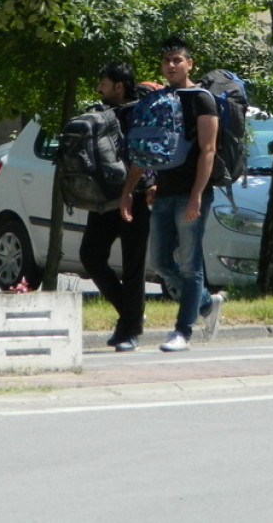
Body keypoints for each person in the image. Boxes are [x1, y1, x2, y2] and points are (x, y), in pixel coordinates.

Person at [121, 37, 225, 352]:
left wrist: (196, 195)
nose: (171, 65)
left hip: (192, 193)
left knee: (191, 265)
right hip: (164, 192)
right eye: (166, 60)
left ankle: (182, 331)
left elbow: (208, 151)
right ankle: (205, 303)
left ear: (189, 64)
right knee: (160, 262)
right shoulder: (159, 99)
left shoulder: (202, 99)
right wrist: (129, 190)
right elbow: (146, 148)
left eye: (177, 60)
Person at [79, 62, 153, 352]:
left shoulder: (142, 111)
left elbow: (148, 151)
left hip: (137, 196)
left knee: (133, 264)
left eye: (104, 82)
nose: (99, 87)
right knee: (91, 255)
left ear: (119, 86)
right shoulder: (101, 112)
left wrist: (149, 184)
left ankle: (129, 330)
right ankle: (131, 316)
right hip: (106, 197)